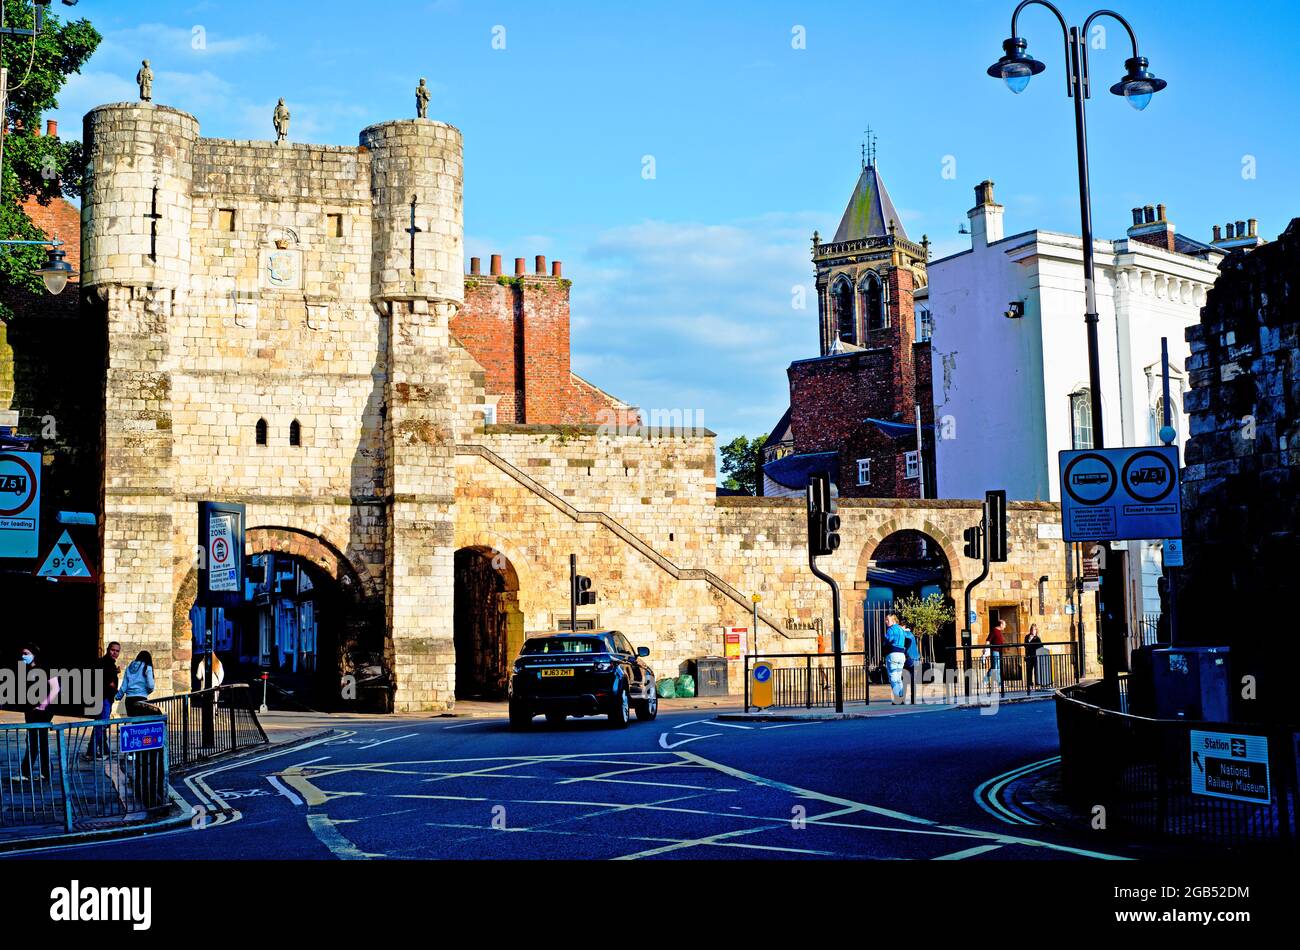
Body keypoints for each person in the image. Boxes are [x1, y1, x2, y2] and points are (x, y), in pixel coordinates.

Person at [11, 645, 60, 784]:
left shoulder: (46, 668)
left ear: (34, 654)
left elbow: (55, 688)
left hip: (43, 710)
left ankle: (26, 772)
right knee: (40, 740)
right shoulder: (27, 670)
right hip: (32, 710)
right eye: (22, 653)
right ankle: (46, 772)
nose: (23, 656)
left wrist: (43, 705)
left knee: (33, 740)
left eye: (26, 653)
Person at [85, 641, 122, 760]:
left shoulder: (110, 664)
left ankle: (99, 750)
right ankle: (95, 751)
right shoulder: (104, 663)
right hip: (103, 698)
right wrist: (113, 686)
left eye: (117, 651)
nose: (114, 653)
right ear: (108, 649)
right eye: (113, 650)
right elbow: (103, 680)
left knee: (100, 724)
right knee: (101, 725)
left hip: (106, 698)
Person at [883, 613, 909, 704]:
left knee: (893, 677)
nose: (886, 621)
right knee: (898, 677)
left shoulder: (891, 629)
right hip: (902, 655)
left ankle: (897, 698)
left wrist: (885, 641)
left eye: (887, 620)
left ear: (893, 620)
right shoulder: (901, 629)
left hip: (893, 654)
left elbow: (888, 640)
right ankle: (901, 697)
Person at [985, 620, 1007, 689]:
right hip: (995, 651)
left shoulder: (999, 631)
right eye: (1004, 625)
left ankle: (985, 681)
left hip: (999, 652)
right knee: (996, 668)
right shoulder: (994, 630)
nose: (1005, 626)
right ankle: (1000, 683)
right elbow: (988, 640)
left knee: (994, 667)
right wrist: (985, 649)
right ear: (1001, 624)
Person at [1024, 624, 1043, 690]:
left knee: (1036, 670)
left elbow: (1041, 647)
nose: (1032, 631)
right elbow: (1025, 645)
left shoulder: (1037, 638)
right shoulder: (1027, 636)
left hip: (1035, 656)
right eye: (1031, 629)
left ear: (1036, 630)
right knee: (1029, 670)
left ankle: (1037, 682)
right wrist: (1029, 640)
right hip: (1029, 656)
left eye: (1034, 629)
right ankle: (1029, 683)